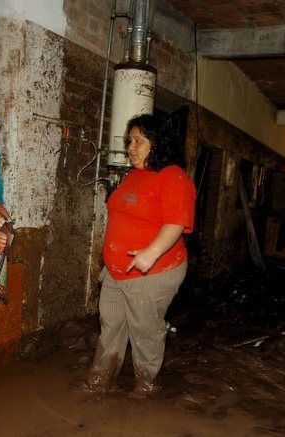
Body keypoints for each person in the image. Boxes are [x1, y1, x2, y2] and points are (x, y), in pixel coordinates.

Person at [85, 114, 196, 399]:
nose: (131, 147)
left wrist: (151, 253)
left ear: (157, 144)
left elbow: (176, 223)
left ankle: (146, 385)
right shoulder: (134, 175)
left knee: (145, 329)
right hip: (117, 270)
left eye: (139, 141)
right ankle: (100, 380)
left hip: (153, 271)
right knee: (110, 325)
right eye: (129, 141)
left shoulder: (173, 177)